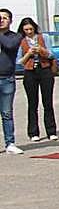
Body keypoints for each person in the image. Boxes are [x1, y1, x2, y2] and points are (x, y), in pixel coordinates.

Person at [17, 18, 58, 142]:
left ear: (34, 27)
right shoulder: (21, 41)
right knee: (32, 103)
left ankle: (51, 131)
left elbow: (51, 54)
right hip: (30, 72)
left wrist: (42, 50)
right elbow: (19, 61)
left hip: (45, 70)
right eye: (26, 30)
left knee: (48, 102)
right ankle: (33, 132)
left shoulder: (43, 37)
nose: (29, 32)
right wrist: (28, 53)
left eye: (31, 29)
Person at [0, 9, 20, 154]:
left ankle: (10, 143)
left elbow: (9, 45)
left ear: (10, 21)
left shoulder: (15, 36)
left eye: (4, 18)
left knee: (6, 112)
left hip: (6, 78)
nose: (1, 20)